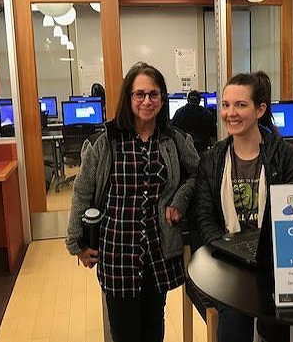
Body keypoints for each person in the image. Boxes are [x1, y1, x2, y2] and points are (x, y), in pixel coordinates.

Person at [65, 62, 199, 342]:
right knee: (125, 332)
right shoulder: (105, 142)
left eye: (154, 94)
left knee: (154, 328)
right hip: (117, 252)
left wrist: (180, 199)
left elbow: (199, 175)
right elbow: (82, 192)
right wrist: (76, 243)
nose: (147, 101)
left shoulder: (173, 140)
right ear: (128, 98)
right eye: (140, 94)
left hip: (158, 252)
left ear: (163, 100)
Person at [192, 71, 293, 342]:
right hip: (228, 263)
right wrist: (228, 250)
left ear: (260, 110)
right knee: (235, 316)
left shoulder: (288, 157)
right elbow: (205, 218)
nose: (230, 113)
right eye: (226, 105)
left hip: (275, 262)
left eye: (240, 105)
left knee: (285, 313)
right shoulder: (212, 160)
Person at [171, 90, 217, 154]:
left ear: (187, 100)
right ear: (199, 101)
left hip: (183, 151)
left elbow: (172, 130)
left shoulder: (179, 112)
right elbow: (213, 134)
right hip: (202, 150)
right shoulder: (207, 114)